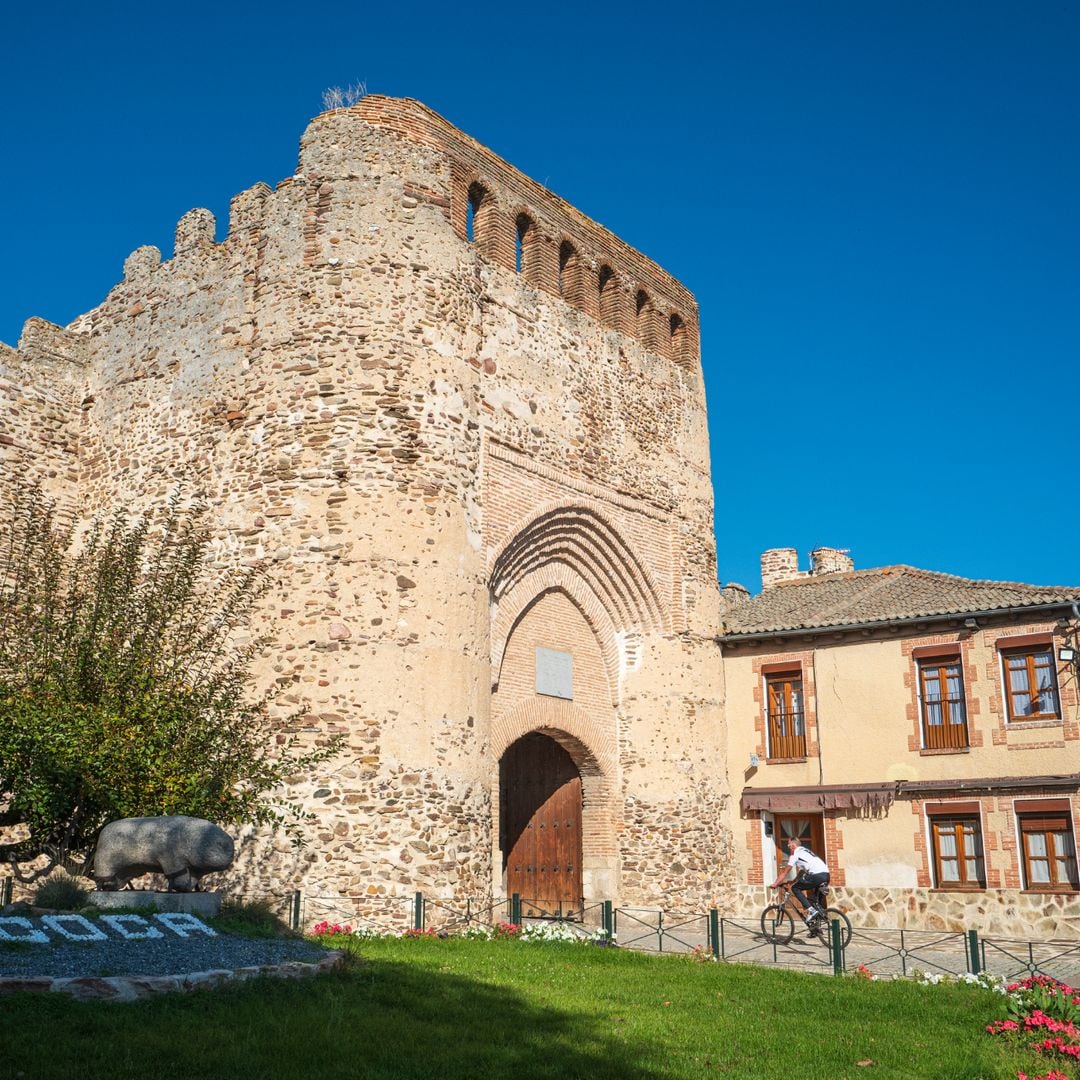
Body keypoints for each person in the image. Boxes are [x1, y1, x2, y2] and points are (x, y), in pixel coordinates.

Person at [770, 836, 830, 935]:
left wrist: (775, 884)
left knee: (795, 888)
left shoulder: (795, 854)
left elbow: (785, 872)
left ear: (793, 845)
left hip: (816, 875)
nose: (788, 846)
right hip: (826, 875)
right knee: (816, 904)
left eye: (789, 844)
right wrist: (794, 880)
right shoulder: (805, 851)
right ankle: (815, 930)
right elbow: (802, 871)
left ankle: (810, 910)